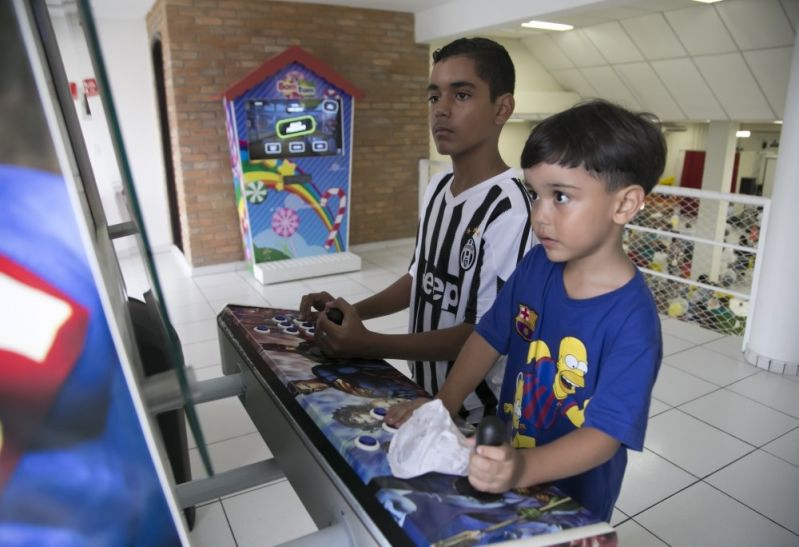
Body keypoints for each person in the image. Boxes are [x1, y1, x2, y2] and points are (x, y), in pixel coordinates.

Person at [387, 99, 666, 522]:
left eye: (560, 197)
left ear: (624, 205)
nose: (539, 215)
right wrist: (442, 404)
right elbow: (487, 337)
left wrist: (522, 468)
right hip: (506, 468)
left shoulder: (633, 322)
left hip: (570, 501)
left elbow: (605, 435)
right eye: (535, 194)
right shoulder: (537, 267)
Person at [299, 37, 535, 424]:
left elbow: (484, 333)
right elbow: (419, 279)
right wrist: (346, 315)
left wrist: (369, 344)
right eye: (433, 96)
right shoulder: (438, 187)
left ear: (502, 108)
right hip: (422, 392)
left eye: (461, 95)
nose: (441, 110)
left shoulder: (510, 208)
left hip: (478, 413)